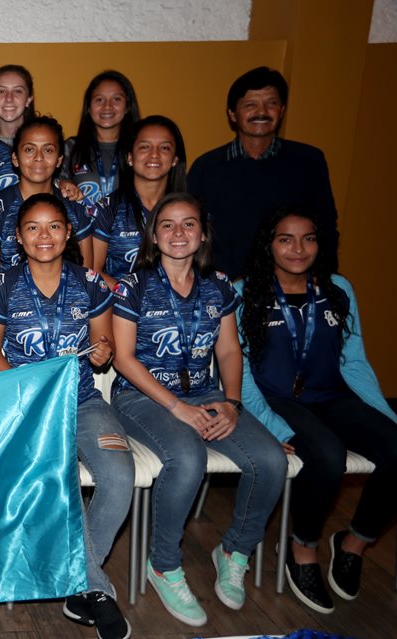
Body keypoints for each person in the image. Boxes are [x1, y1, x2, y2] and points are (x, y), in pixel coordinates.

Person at [110, 193, 286, 627]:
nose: (178, 233)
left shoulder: (220, 285)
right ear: (154, 234)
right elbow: (123, 359)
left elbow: (228, 350)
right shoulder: (134, 285)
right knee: (186, 457)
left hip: (207, 393)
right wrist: (177, 408)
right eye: (167, 224)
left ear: (202, 233)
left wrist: (231, 402)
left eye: (188, 224)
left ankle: (234, 551)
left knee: (270, 460)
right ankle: (164, 565)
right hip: (142, 395)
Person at [237, 209, 397, 614]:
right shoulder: (243, 292)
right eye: (285, 238)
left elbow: (355, 363)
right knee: (326, 455)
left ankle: (353, 543)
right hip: (277, 400)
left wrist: (392, 423)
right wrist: (272, 426)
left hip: (331, 397)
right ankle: (302, 548)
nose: (298, 249)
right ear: (268, 244)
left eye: (308, 238)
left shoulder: (338, 289)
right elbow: (240, 373)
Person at [0, 193, 132, 639]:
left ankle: (76, 580)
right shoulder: (3, 285)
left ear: (68, 233)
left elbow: (103, 348)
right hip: (28, 406)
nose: (43, 236)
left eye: (53, 226)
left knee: (120, 476)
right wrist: (28, 391)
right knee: (58, 477)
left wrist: (103, 349)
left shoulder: (89, 282)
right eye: (32, 227)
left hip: (83, 401)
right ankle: (94, 588)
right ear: (18, 237)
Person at [188, 66, 338, 280]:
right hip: (225, 287)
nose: (261, 112)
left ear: (282, 110)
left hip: (292, 287)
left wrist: (323, 277)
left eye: (271, 104)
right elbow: (193, 232)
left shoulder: (308, 161)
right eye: (250, 105)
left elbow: (326, 226)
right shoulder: (207, 167)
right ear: (232, 113)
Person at [0, 115, 94, 286]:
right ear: (15, 158)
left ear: (59, 159)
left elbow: (86, 277)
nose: (39, 157)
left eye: (48, 150)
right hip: (8, 309)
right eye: (29, 149)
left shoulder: (74, 207)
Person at [92, 115, 187, 288]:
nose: (154, 155)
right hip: (122, 309)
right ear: (129, 157)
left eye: (164, 148)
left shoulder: (190, 211)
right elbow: (92, 271)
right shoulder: (108, 208)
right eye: (145, 147)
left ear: (175, 159)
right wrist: (129, 299)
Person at [61, 71, 141, 209]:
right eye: (99, 99)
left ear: (127, 106)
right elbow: (53, 183)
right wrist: (63, 184)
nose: (107, 106)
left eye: (116, 99)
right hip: (83, 230)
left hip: (129, 230)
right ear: (89, 107)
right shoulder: (71, 147)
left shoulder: (140, 149)